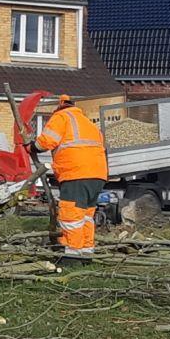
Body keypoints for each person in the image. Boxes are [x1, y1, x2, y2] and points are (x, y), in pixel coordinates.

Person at [35, 94, 108, 258]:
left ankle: (72, 255)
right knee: (86, 216)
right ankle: (86, 251)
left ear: (60, 105)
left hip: (76, 172)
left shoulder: (61, 117)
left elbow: (45, 142)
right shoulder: (88, 122)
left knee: (71, 215)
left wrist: (32, 146)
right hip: (97, 174)